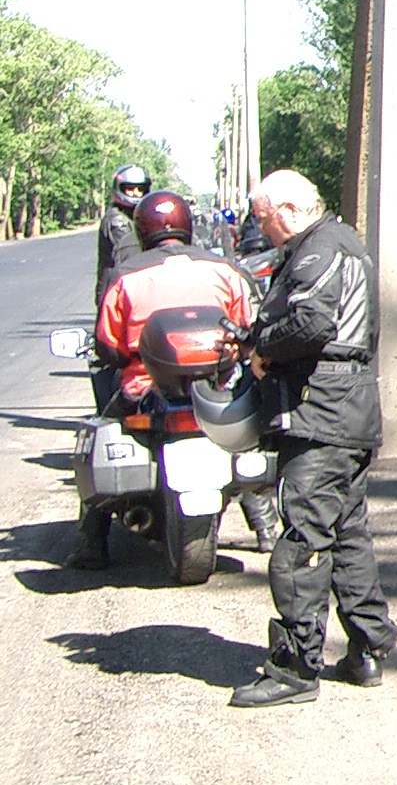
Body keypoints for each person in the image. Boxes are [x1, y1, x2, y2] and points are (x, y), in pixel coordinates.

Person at [227, 169, 397, 709]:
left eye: (262, 215)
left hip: (322, 415)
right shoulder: (335, 243)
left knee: (302, 536)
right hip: (346, 412)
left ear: (288, 207)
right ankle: (367, 648)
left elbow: (311, 324)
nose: (260, 225)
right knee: (347, 532)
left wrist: (263, 351)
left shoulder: (319, 248)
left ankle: (297, 666)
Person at [68, 189, 280, 568]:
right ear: (187, 225)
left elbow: (108, 347)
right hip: (215, 385)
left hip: (144, 388)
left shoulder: (125, 276)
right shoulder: (224, 270)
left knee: (101, 430)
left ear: (142, 229)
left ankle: (91, 545)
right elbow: (250, 326)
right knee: (239, 437)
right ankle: (266, 529)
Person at [93, 163, 151, 311]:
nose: (136, 193)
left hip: (128, 287)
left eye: (140, 188)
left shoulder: (136, 216)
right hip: (114, 293)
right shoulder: (117, 220)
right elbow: (132, 257)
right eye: (130, 188)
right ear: (120, 188)